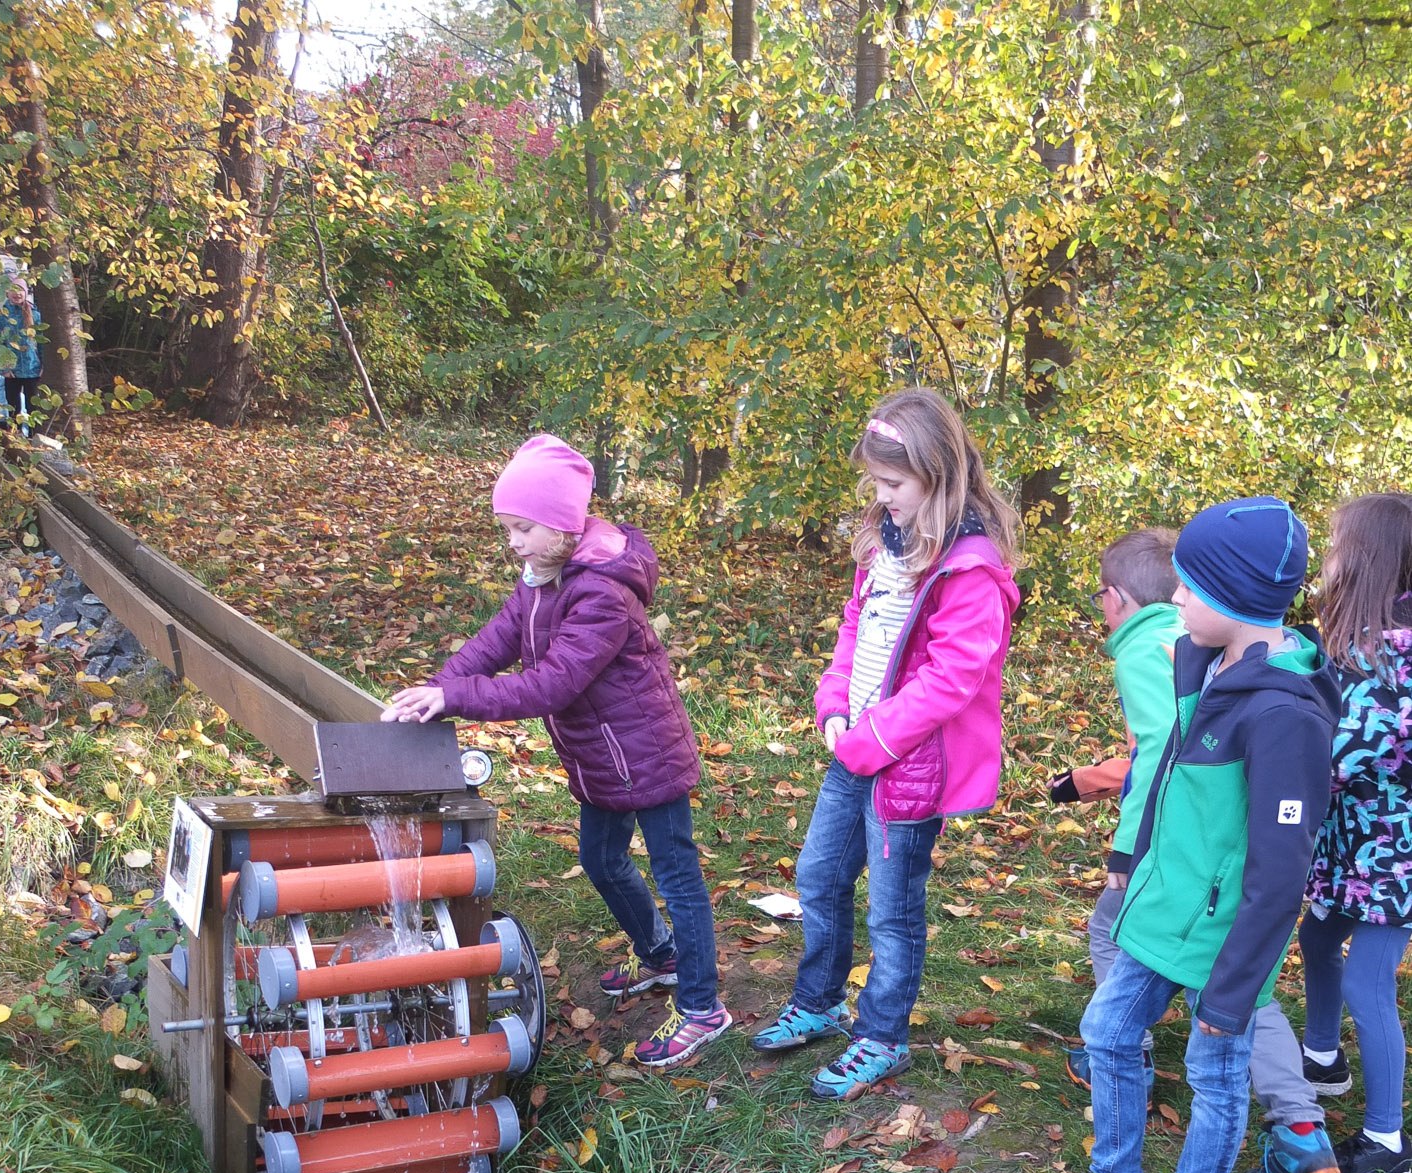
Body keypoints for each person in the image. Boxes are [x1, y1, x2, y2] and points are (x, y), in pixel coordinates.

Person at [1017, 496, 1339, 1173]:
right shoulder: (1202, 664)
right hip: (1162, 910)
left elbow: (1280, 869)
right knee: (1107, 1028)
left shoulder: (1282, 716)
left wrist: (1234, 989)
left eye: (1191, 588)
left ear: (1233, 596)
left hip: (1221, 934)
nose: (1178, 601)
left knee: (1214, 1069)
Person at [380, 431, 728, 1069]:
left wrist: (459, 700)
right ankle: (661, 956)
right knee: (601, 861)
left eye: (522, 528)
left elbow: (553, 682)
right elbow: (499, 639)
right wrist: (438, 687)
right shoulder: (543, 577)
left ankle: (703, 1008)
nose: (512, 542)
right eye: (507, 528)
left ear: (563, 526)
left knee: (679, 879)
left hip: (646, 756)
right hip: (600, 760)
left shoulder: (601, 592)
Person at [751, 389, 1020, 1099]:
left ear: (937, 474)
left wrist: (872, 738)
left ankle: (882, 1037)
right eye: (876, 482)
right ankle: (820, 1001)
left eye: (894, 484)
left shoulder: (970, 569)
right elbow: (855, 630)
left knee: (893, 909)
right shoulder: (886, 543)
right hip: (856, 753)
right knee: (818, 877)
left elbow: (952, 678)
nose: (882, 495)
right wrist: (834, 701)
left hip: (909, 768)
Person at [1296, 491, 1412, 1173]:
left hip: (1394, 861)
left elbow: (1337, 755)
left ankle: (1387, 1139)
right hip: (1354, 851)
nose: (1328, 558)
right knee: (1315, 936)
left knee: (1370, 988)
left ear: (1364, 561)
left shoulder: (1393, 664)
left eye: (1337, 545)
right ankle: (1322, 1059)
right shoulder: (1355, 649)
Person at [0, 279, 42, 429]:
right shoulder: (1, 315)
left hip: (32, 368)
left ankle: (34, 437)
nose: (17, 294)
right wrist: (4, 368)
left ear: (26, 293)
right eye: (13, 290)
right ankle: (14, 437)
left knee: (33, 407)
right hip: (11, 370)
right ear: (7, 293)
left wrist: (43, 364)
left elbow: (42, 342)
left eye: (20, 290)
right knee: (13, 407)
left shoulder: (35, 314)